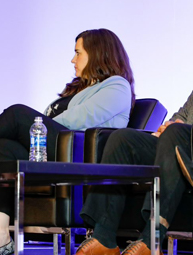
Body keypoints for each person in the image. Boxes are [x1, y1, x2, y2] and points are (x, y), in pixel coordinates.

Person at [0, 28, 136, 255]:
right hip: (53, 151)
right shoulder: (78, 89)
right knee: (0, 148)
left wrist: (35, 122)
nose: (73, 59)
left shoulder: (117, 85)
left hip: (77, 156)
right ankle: (1, 239)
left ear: (98, 53)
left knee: (17, 113)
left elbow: (78, 120)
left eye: (78, 53)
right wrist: (39, 124)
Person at [75, 92, 193, 255]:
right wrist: (166, 127)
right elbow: (178, 118)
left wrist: (175, 129)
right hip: (177, 145)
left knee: (175, 133)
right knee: (123, 138)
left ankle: (152, 241)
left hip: (186, 150)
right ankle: (104, 237)